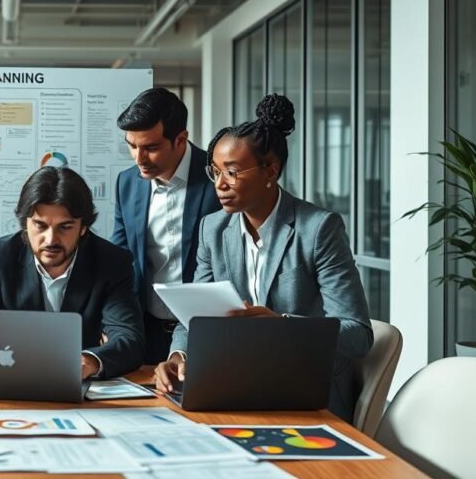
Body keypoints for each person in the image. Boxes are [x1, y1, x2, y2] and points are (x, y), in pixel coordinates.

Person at [154, 94, 373, 421]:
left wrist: (281, 326)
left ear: (270, 170)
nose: (220, 185)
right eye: (215, 172)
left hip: (306, 391)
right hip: (233, 382)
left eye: (231, 172)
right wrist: (178, 355)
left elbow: (358, 334)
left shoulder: (318, 229)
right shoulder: (212, 229)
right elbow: (194, 318)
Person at [0, 166, 146, 379]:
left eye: (65, 227)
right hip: (11, 380)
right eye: (40, 225)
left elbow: (129, 340)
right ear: (25, 223)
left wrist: (89, 361)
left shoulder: (111, 262)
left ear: (83, 227)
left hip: (79, 388)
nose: (51, 240)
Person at [112, 87, 221, 363]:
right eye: (132, 145)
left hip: (207, 332)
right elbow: (119, 260)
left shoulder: (218, 181)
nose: (139, 158)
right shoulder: (127, 183)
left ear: (181, 139)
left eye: (151, 147)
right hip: (145, 334)